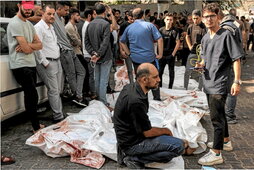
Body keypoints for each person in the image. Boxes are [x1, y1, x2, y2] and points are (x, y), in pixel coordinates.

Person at [113, 63, 186, 169]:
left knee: (172, 142)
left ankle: (134, 154)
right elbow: (147, 133)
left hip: (129, 136)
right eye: (155, 77)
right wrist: (166, 131)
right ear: (144, 79)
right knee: (179, 146)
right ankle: (132, 158)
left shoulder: (134, 87)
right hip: (131, 144)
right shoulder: (135, 101)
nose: (159, 80)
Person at [196, 3, 243, 165]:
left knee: (216, 119)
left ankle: (216, 153)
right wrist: (201, 64)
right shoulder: (205, 37)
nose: (208, 19)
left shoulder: (226, 35)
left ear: (218, 17)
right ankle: (226, 141)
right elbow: (204, 58)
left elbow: (236, 58)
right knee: (220, 113)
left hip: (220, 82)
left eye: (211, 16)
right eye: (206, 16)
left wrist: (237, 81)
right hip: (208, 81)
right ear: (202, 19)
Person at [7, 0, 44, 133]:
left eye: (30, 8)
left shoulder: (28, 23)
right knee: (31, 95)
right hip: (20, 65)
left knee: (33, 96)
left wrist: (28, 45)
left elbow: (40, 45)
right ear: (19, 6)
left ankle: (36, 125)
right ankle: (36, 127)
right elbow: (27, 49)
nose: (28, 11)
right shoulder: (15, 23)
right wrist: (29, 46)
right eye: (26, 8)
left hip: (30, 63)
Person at [120, 8, 163, 101]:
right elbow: (160, 39)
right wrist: (160, 54)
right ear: (143, 15)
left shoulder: (129, 28)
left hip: (136, 59)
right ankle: (157, 99)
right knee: (154, 78)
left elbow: (122, 41)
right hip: (149, 58)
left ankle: (141, 98)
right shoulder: (150, 26)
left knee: (140, 79)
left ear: (133, 17)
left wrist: (128, 53)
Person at [34, 4, 65, 123]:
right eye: (49, 14)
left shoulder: (51, 26)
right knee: (53, 90)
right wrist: (45, 62)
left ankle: (58, 112)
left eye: (53, 14)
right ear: (42, 13)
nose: (52, 16)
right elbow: (37, 48)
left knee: (58, 90)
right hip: (48, 63)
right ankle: (58, 116)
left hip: (56, 60)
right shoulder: (38, 28)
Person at [218, 10, 245, 124]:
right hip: (235, 58)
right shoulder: (236, 24)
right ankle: (229, 114)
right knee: (231, 89)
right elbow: (242, 38)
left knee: (230, 89)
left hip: (229, 61)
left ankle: (228, 115)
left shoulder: (225, 27)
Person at [85, 3, 113, 109]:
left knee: (97, 79)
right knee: (103, 80)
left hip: (95, 57)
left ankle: (98, 100)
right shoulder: (105, 24)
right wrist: (98, 54)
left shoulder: (89, 24)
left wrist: (93, 53)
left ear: (95, 12)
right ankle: (103, 103)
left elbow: (86, 42)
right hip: (104, 56)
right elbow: (105, 42)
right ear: (104, 12)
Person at [65, 8, 87, 106]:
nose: (79, 17)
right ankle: (78, 96)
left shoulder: (74, 26)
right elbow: (77, 41)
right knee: (77, 73)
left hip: (77, 51)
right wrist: (77, 42)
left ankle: (78, 95)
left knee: (81, 72)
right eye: (77, 15)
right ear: (72, 15)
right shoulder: (69, 27)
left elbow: (77, 41)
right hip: (74, 53)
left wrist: (77, 42)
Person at [184, 9, 206, 90]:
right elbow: (187, 36)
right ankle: (185, 87)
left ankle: (200, 88)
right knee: (187, 70)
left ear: (200, 17)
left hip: (202, 53)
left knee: (201, 71)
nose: (195, 20)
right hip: (193, 52)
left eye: (197, 18)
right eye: (193, 18)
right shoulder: (190, 26)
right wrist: (190, 46)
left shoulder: (205, 27)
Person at [159, 13, 180, 89]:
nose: (169, 21)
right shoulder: (161, 30)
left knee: (171, 72)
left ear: (172, 21)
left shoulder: (175, 30)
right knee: (160, 72)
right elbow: (158, 42)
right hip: (162, 54)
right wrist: (159, 53)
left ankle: (170, 87)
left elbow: (178, 43)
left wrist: (173, 55)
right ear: (164, 20)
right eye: (167, 19)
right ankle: (160, 87)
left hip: (170, 54)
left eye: (170, 20)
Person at [82, 7, 97, 100]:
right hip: (89, 54)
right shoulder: (88, 25)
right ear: (89, 16)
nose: (96, 16)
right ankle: (93, 93)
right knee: (92, 75)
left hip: (88, 53)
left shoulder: (87, 25)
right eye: (94, 14)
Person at [119, 11, 134, 84]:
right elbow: (120, 38)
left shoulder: (137, 24)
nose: (132, 18)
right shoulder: (124, 25)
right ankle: (132, 84)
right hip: (127, 49)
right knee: (130, 69)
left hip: (136, 50)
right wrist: (121, 50)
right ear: (128, 16)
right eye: (130, 16)